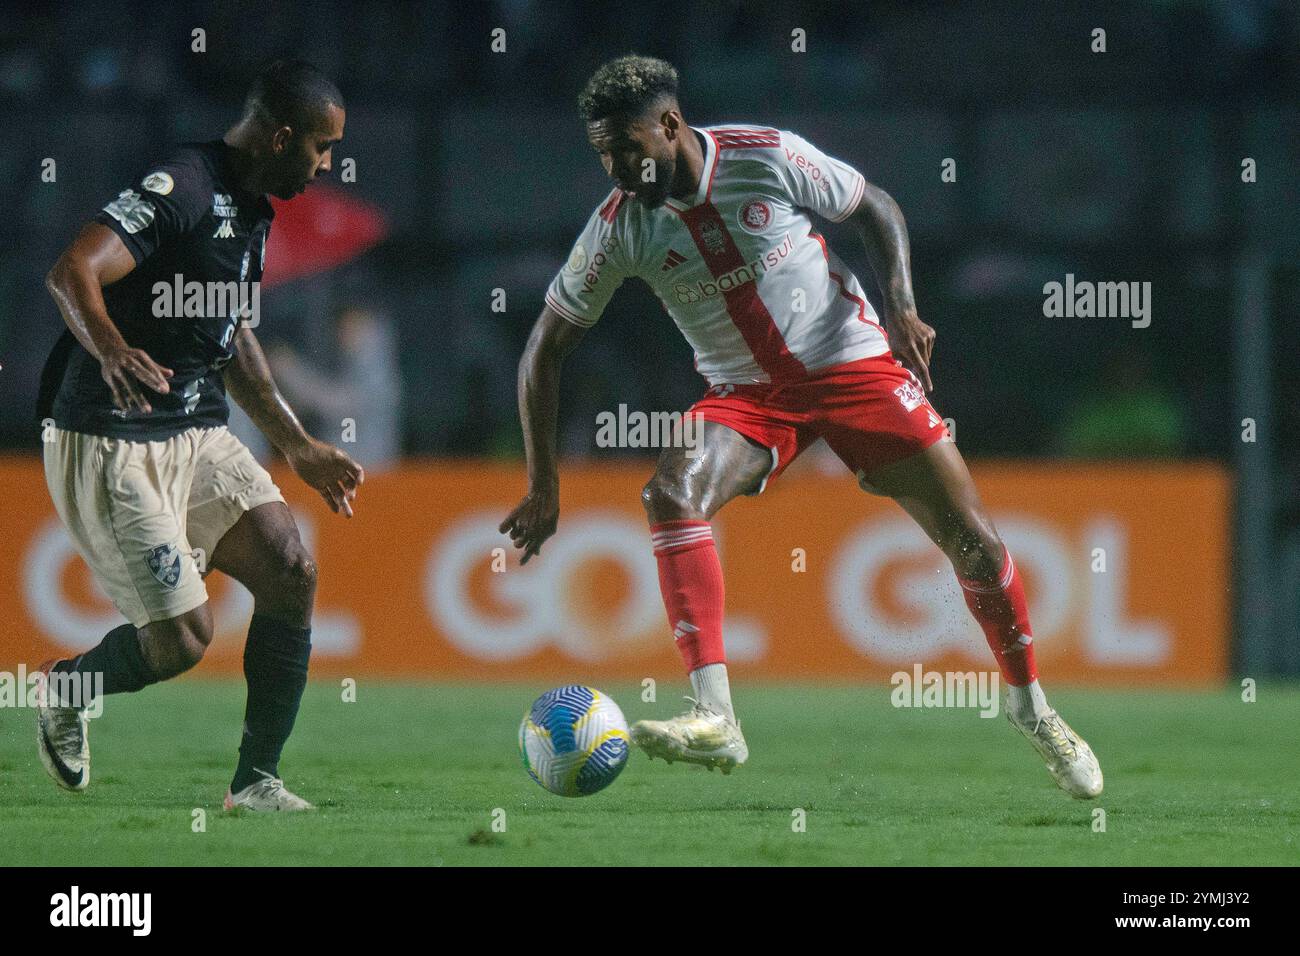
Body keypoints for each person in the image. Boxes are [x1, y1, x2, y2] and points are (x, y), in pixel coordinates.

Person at [501, 55, 1102, 798]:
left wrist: (904, 306)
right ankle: (715, 714)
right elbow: (542, 351)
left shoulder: (766, 156)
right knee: (669, 494)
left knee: (974, 543)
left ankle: (1033, 710)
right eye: (604, 154)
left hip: (851, 364)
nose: (619, 167)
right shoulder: (618, 229)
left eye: (629, 147)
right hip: (746, 395)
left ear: (669, 125)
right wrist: (542, 485)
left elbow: (876, 206)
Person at [35, 59, 364, 811]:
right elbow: (71, 270)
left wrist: (300, 444)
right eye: (321, 147)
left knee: (291, 569)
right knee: (183, 642)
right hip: (111, 435)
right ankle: (65, 686)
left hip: (197, 427)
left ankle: (254, 782)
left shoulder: (253, 208)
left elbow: (232, 335)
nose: (325, 165)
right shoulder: (183, 188)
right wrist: (113, 349)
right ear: (281, 136)